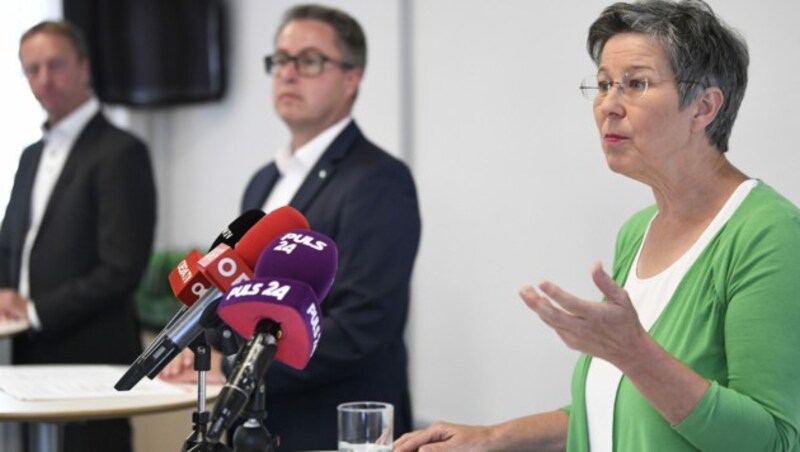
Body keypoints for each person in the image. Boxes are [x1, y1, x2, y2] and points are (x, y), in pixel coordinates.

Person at [395, 0, 800, 451]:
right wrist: (492, 437)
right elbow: (619, 407)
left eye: (636, 84)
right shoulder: (638, 230)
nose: (609, 105)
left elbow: (774, 440)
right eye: (604, 84)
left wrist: (634, 352)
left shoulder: (770, 234)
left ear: (704, 107)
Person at [160, 4, 421, 451]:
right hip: (262, 425)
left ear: (351, 78)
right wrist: (202, 350)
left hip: (335, 427)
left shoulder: (379, 180)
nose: (288, 74)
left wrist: (232, 365)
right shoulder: (264, 181)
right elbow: (235, 294)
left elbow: (359, 329)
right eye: (280, 60)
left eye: (310, 60)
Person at [0, 20, 156, 452]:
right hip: (27, 357)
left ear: (85, 67)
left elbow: (122, 268)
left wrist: (34, 310)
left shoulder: (121, 150)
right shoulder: (30, 155)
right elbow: (12, 244)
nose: (43, 80)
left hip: (94, 358)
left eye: (55, 65)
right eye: (31, 70)